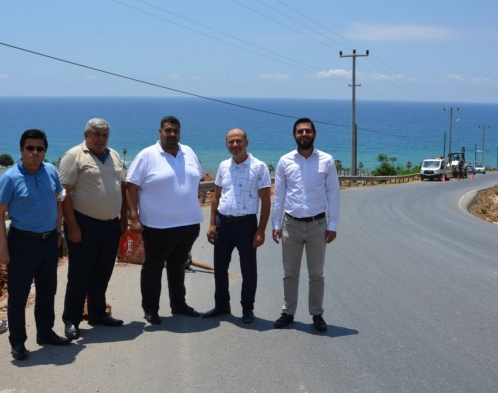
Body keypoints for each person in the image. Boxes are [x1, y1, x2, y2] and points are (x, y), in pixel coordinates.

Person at [0, 129, 70, 361]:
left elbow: (58, 200)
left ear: (45, 151)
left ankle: (45, 332)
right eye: (30, 148)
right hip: (22, 243)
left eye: (40, 149)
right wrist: (3, 248)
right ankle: (18, 343)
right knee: (18, 296)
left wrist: (58, 231)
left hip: (48, 241)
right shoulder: (9, 178)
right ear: (21, 149)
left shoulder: (50, 171)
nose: (35, 153)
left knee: (47, 291)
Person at [126, 116, 204, 325]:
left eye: (175, 131)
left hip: (189, 224)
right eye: (168, 130)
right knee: (153, 267)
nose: (172, 134)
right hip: (157, 226)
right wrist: (133, 216)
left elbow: (195, 180)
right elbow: (131, 187)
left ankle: (179, 304)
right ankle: (151, 309)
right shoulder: (147, 155)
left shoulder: (189, 152)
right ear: (160, 131)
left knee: (178, 265)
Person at [58, 118, 127, 341]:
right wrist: (72, 226)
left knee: (103, 272)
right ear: (86, 135)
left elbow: (122, 187)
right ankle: (71, 320)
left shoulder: (113, 155)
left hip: (110, 225)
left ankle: (97, 314)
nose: (101, 139)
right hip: (84, 224)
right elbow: (64, 193)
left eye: (105, 135)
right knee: (79, 275)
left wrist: (123, 219)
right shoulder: (73, 156)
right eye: (96, 134)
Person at [271, 118, 340, 332]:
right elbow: (279, 194)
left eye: (307, 131)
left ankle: (317, 314)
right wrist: (275, 223)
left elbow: (333, 192)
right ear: (294, 135)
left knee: (316, 274)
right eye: (300, 131)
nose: (304, 134)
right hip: (290, 224)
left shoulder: (326, 160)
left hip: (317, 224)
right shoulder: (285, 161)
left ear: (314, 134)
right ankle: (288, 312)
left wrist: (333, 224)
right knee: (290, 273)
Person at [202, 128, 271, 324]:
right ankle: (221, 305)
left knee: (248, 269)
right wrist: (212, 224)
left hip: (246, 225)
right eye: (231, 142)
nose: (235, 145)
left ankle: (247, 308)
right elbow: (216, 197)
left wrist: (261, 231)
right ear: (226, 144)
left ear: (246, 142)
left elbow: (266, 202)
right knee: (220, 268)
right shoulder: (224, 165)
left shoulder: (259, 167)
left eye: (238, 141)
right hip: (223, 223)